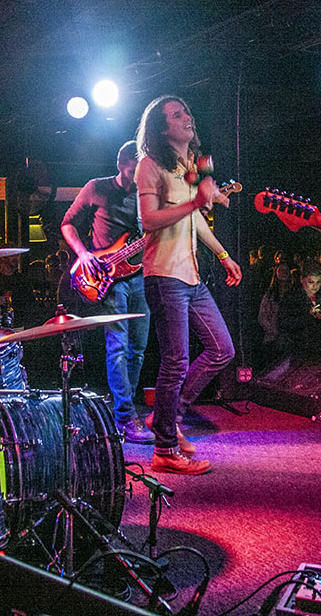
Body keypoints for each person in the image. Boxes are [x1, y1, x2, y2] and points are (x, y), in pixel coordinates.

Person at [135, 95, 241, 475]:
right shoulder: (149, 165)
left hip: (191, 276)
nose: (187, 117)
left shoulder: (188, 166)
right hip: (164, 275)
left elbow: (194, 219)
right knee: (176, 361)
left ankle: (167, 416)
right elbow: (148, 220)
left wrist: (223, 254)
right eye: (177, 114)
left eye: (186, 111)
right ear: (162, 129)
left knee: (222, 349)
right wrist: (196, 201)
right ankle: (164, 450)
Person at [61, 140, 154, 443]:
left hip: (140, 276)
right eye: (132, 171)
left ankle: (124, 413)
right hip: (106, 278)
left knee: (138, 349)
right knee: (118, 348)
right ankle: (126, 417)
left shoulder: (147, 195)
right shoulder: (97, 188)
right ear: (120, 164)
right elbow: (67, 224)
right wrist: (83, 254)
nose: (136, 178)